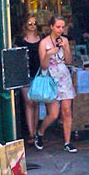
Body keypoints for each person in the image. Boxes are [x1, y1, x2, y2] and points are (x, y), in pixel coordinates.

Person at [35, 15, 77, 153]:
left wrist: (65, 48)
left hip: (64, 76)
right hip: (51, 78)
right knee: (53, 114)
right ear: (51, 27)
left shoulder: (64, 40)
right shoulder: (44, 43)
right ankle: (40, 132)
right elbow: (43, 65)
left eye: (62, 27)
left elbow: (69, 61)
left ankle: (67, 141)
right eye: (58, 26)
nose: (60, 29)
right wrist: (48, 54)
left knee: (66, 111)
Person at [14, 15, 42, 144]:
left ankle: (36, 132)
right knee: (29, 103)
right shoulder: (20, 40)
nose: (32, 25)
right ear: (25, 25)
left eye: (34, 23)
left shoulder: (41, 39)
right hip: (24, 74)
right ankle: (31, 133)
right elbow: (14, 56)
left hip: (38, 74)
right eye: (30, 23)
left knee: (36, 103)